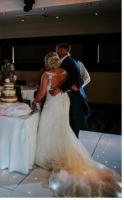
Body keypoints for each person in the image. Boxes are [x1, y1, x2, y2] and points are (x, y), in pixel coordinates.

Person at [32, 52, 120, 196]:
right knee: (62, 127)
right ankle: (59, 152)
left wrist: (34, 101)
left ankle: (49, 155)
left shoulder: (46, 75)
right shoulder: (65, 72)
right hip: (63, 102)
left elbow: (41, 94)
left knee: (47, 127)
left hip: (52, 104)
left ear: (47, 62)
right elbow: (73, 84)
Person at [55, 43, 91, 137]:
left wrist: (77, 86)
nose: (56, 52)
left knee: (76, 122)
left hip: (74, 95)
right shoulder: (61, 63)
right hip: (67, 95)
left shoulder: (73, 62)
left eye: (57, 50)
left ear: (62, 50)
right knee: (70, 121)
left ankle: (77, 142)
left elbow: (83, 77)